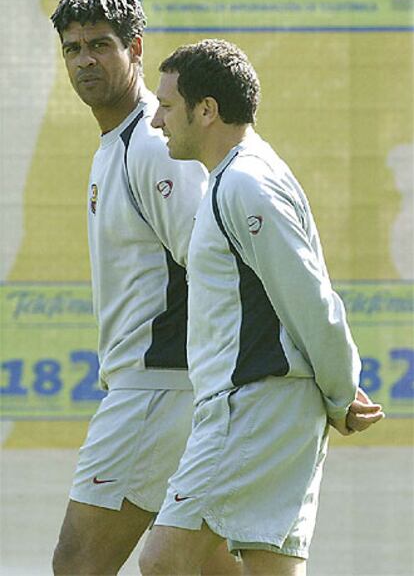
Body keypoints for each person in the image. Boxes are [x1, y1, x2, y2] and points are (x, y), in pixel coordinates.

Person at [139, 39, 385, 575]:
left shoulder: (245, 183)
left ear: (206, 110)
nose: (156, 121)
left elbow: (310, 297)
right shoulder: (240, 175)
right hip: (269, 407)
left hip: (255, 407)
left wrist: (342, 391)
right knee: (248, 569)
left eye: (167, 106)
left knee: (165, 561)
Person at [50, 0, 239, 575]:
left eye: (100, 45)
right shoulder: (117, 146)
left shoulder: (153, 147)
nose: (85, 60)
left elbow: (215, 260)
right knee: (207, 568)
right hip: (173, 392)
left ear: (134, 49)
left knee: (77, 564)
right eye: (73, 48)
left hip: (157, 390)